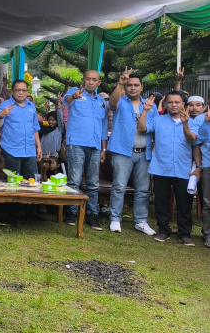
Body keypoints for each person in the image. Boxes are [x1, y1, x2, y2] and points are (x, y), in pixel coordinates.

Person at [138, 92, 198, 246]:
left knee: (184, 203)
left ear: (182, 104)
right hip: (161, 167)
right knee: (161, 202)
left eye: (177, 102)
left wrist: (185, 123)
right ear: (165, 105)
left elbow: (191, 139)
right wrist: (145, 110)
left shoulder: (192, 122)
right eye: (170, 102)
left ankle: (184, 234)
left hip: (183, 168)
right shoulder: (157, 120)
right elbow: (142, 128)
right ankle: (164, 231)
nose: (174, 105)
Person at [106, 68, 156, 235]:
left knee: (143, 189)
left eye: (136, 85)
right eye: (129, 85)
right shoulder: (120, 101)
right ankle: (115, 218)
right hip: (122, 151)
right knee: (119, 187)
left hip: (144, 152)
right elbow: (111, 104)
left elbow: (154, 128)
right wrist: (120, 83)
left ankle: (141, 221)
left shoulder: (150, 106)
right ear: (125, 88)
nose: (132, 88)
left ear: (142, 87)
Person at [62, 71, 108, 230]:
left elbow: (103, 127)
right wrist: (74, 97)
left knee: (93, 183)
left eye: (94, 80)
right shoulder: (75, 93)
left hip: (95, 146)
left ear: (99, 83)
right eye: (88, 79)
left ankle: (91, 214)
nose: (90, 82)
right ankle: (71, 213)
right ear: (83, 80)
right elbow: (65, 101)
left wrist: (103, 148)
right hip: (76, 143)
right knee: (74, 180)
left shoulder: (102, 102)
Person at [194, 107, 210, 248]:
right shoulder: (202, 119)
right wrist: (207, 123)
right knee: (208, 202)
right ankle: (208, 234)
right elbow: (199, 140)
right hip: (208, 165)